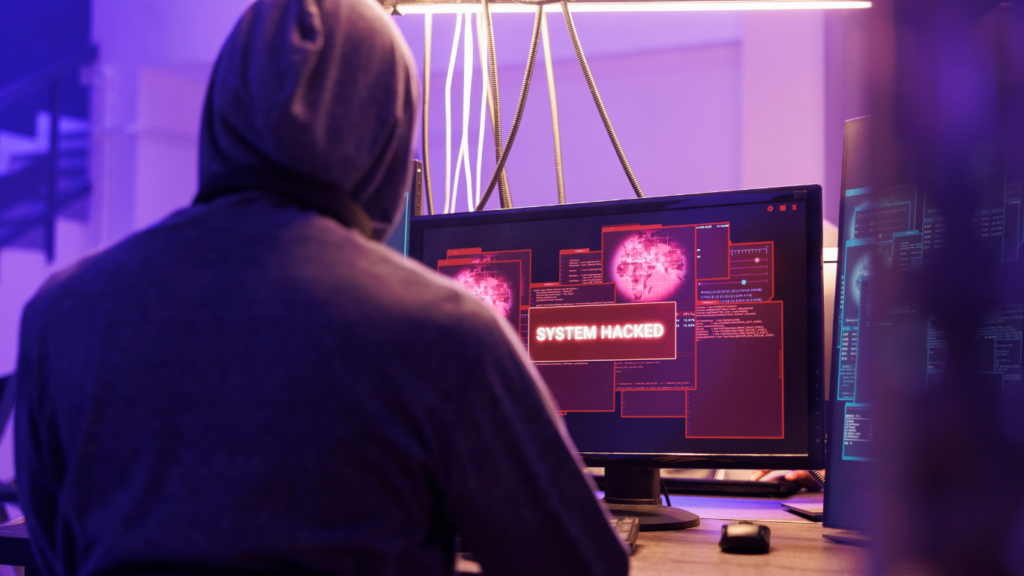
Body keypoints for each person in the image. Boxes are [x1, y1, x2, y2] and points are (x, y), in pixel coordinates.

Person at [13, 0, 629, 574]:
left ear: (218, 112)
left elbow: (52, 556)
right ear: (389, 133)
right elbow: (581, 563)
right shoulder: (444, 331)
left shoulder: (60, 313)